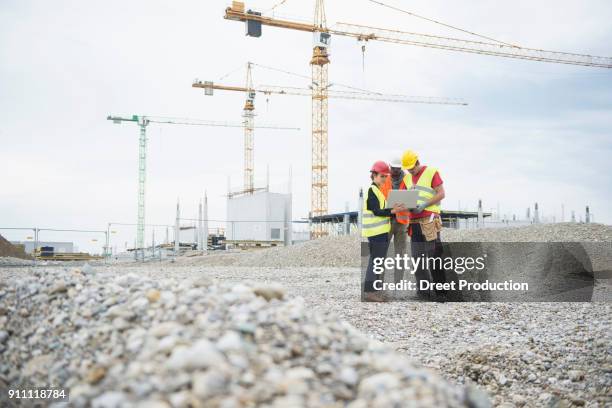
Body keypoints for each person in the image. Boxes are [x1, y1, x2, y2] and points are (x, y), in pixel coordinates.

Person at [401, 150, 447, 301]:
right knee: (417, 258)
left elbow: (441, 193)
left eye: (412, 168)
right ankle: (423, 292)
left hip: (430, 220)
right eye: (408, 169)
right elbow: (401, 199)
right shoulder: (407, 178)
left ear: (418, 162)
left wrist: (424, 205)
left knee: (434, 257)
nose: (410, 171)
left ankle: (441, 293)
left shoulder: (431, 172)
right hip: (414, 223)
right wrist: (407, 206)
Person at [361, 161, 405, 302]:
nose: (384, 179)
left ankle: (376, 291)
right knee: (375, 261)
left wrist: (394, 210)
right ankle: (369, 292)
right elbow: (376, 211)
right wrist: (392, 210)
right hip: (376, 232)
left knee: (378, 261)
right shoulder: (372, 190)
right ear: (374, 175)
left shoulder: (378, 192)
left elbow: (384, 211)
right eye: (382, 176)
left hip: (380, 232)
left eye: (386, 176)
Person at [380, 158, 409, 284]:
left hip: (402, 223)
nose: (395, 171)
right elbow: (380, 197)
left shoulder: (407, 179)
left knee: (400, 254)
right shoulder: (384, 179)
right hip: (386, 221)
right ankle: (379, 282)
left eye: (397, 169)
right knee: (381, 253)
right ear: (389, 167)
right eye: (393, 169)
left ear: (400, 168)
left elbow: (412, 197)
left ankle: (398, 283)